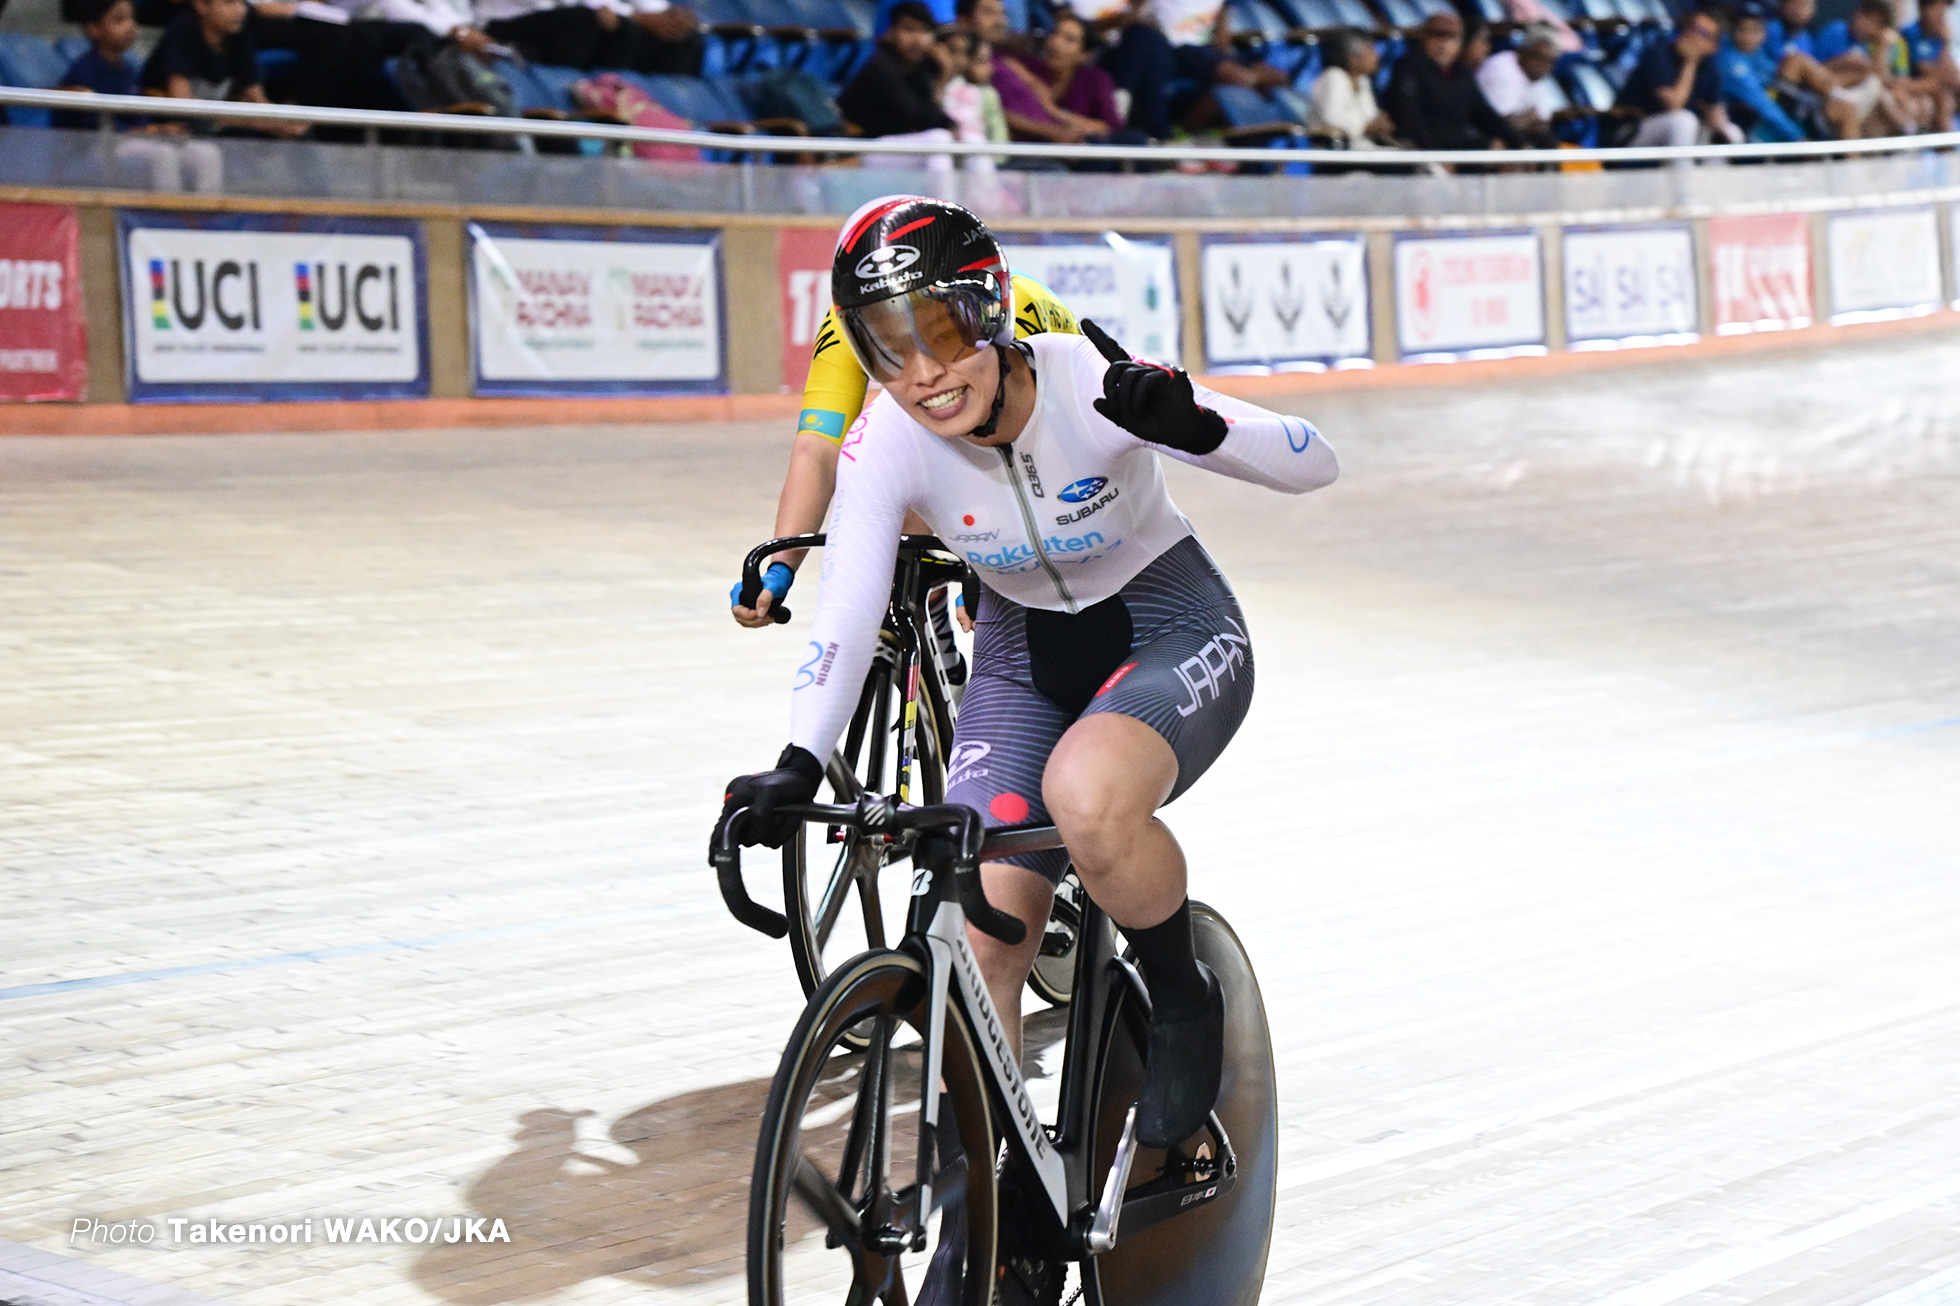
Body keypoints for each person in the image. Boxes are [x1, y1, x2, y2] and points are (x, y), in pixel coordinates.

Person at [713, 198, 1337, 1205]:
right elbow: (846, 606)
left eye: (943, 334)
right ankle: (992, 1204)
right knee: (976, 931)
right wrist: (795, 759)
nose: (921, 373)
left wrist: (1197, 424)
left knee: (1085, 794)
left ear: (991, 310)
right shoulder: (885, 443)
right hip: (1017, 660)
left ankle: (1181, 997)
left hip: (1167, 628)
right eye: (886, 346)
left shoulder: (1083, 383)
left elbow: (1315, 460)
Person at [730, 195, 1080, 629]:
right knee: (894, 465)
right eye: (887, 340)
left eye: (942, 332)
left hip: (1033, 429)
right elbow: (817, 451)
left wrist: (1004, 572)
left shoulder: (1007, 310)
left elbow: (1045, 462)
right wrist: (782, 563)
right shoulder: (846, 327)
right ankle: (923, 608)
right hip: (940, 436)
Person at [56, 0, 227, 191]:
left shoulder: (128, 69)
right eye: (119, 20)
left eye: (132, 19)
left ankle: (205, 218)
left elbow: (139, 116)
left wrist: (161, 129)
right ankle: (165, 216)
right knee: (163, 154)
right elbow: (95, 126)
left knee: (206, 153)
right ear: (94, 28)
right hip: (95, 149)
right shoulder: (83, 72)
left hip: (134, 141)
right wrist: (150, 132)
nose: (130, 26)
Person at [141, 0, 308, 138]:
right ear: (201, 5)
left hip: (216, 124)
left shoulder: (238, 35)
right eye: (229, 3)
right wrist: (252, 121)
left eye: (242, 2)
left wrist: (283, 121)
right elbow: (182, 102)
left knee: (297, 133)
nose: (239, 10)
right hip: (170, 127)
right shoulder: (182, 32)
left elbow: (257, 99)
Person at [1383, 11, 1522, 151]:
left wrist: (1518, 143)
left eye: (1451, 38)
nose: (1443, 45)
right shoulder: (1408, 68)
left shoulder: (1461, 73)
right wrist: (1435, 154)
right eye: (1437, 36)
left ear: (1461, 42)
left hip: (1456, 146)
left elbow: (1484, 113)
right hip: (1421, 150)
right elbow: (1410, 120)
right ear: (1424, 37)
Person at [1614, 9, 1741, 147]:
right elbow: (1674, 105)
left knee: (1732, 132)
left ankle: (1715, 169)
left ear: (1713, 46)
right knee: (1683, 121)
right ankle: (1682, 169)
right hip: (1632, 130)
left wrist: (1717, 122)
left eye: (1703, 34)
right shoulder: (1660, 54)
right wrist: (1690, 63)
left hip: (1679, 131)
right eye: (1692, 28)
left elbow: (1715, 106)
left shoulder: (1709, 66)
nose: (1693, 36)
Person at [475, 0, 703, 74]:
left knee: (683, 40)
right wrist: (634, 17)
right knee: (598, 24)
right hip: (506, 22)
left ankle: (665, 120)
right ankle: (583, 101)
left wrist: (668, 17)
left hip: (571, 19)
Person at [836, 0, 957, 136]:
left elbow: (939, 119)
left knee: (965, 138)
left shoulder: (918, 70)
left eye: (925, 31)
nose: (918, 40)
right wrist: (942, 80)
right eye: (909, 29)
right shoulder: (879, 66)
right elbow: (915, 117)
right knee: (939, 138)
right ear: (890, 32)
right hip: (862, 145)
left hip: (893, 145)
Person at [1719, 4, 1812, 140]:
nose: (1748, 36)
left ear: (1763, 34)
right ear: (1732, 31)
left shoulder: (1758, 55)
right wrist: (1798, 137)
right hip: (1739, 126)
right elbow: (1762, 104)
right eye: (1742, 30)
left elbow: (1774, 79)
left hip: (1764, 119)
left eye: (1754, 30)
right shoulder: (1730, 61)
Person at [1307, 28, 1398, 148]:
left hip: (1362, 147)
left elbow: (1370, 116)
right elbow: (1331, 119)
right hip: (1334, 151)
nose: (1377, 55)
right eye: (1370, 50)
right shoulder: (1333, 77)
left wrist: (1380, 124)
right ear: (1352, 58)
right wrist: (1365, 127)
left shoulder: (1362, 80)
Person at [1478, 26, 1566, 146]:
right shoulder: (1500, 67)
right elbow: (1500, 124)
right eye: (1538, 57)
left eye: (1549, 60)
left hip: (1519, 136)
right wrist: (1527, 119)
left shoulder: (1539, 77)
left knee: (1548, 140)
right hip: (1486, 136)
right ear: (1523, 51)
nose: (1543, 65)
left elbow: (1543, 121)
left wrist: (1526, 120)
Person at [1902, 0, 1957, 128]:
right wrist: (1946, 44)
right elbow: (1925, 70)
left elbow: (1952, 72)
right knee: (1943, 97)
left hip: (1937, 87)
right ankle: (1946, 146)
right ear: (1923, 8)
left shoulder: (1940, 35)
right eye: (1937, 9)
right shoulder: (1909, 33)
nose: (1941, 14)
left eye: (1944, 10)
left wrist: (1946, 43)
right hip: (1915, 87)